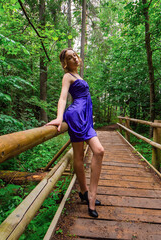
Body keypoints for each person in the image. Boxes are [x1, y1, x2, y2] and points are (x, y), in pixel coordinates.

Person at [46, 48, 104, 218]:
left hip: (85, 117)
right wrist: (58, 117)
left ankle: (86, 193)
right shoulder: (67, 76)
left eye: (75, 55)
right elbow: (63, 97)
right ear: (66, 63)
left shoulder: (78, 76)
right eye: (70, 58)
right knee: (87, 154)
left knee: (94, 153)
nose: (75, 58)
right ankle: (89, 195)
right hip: (76, 116)